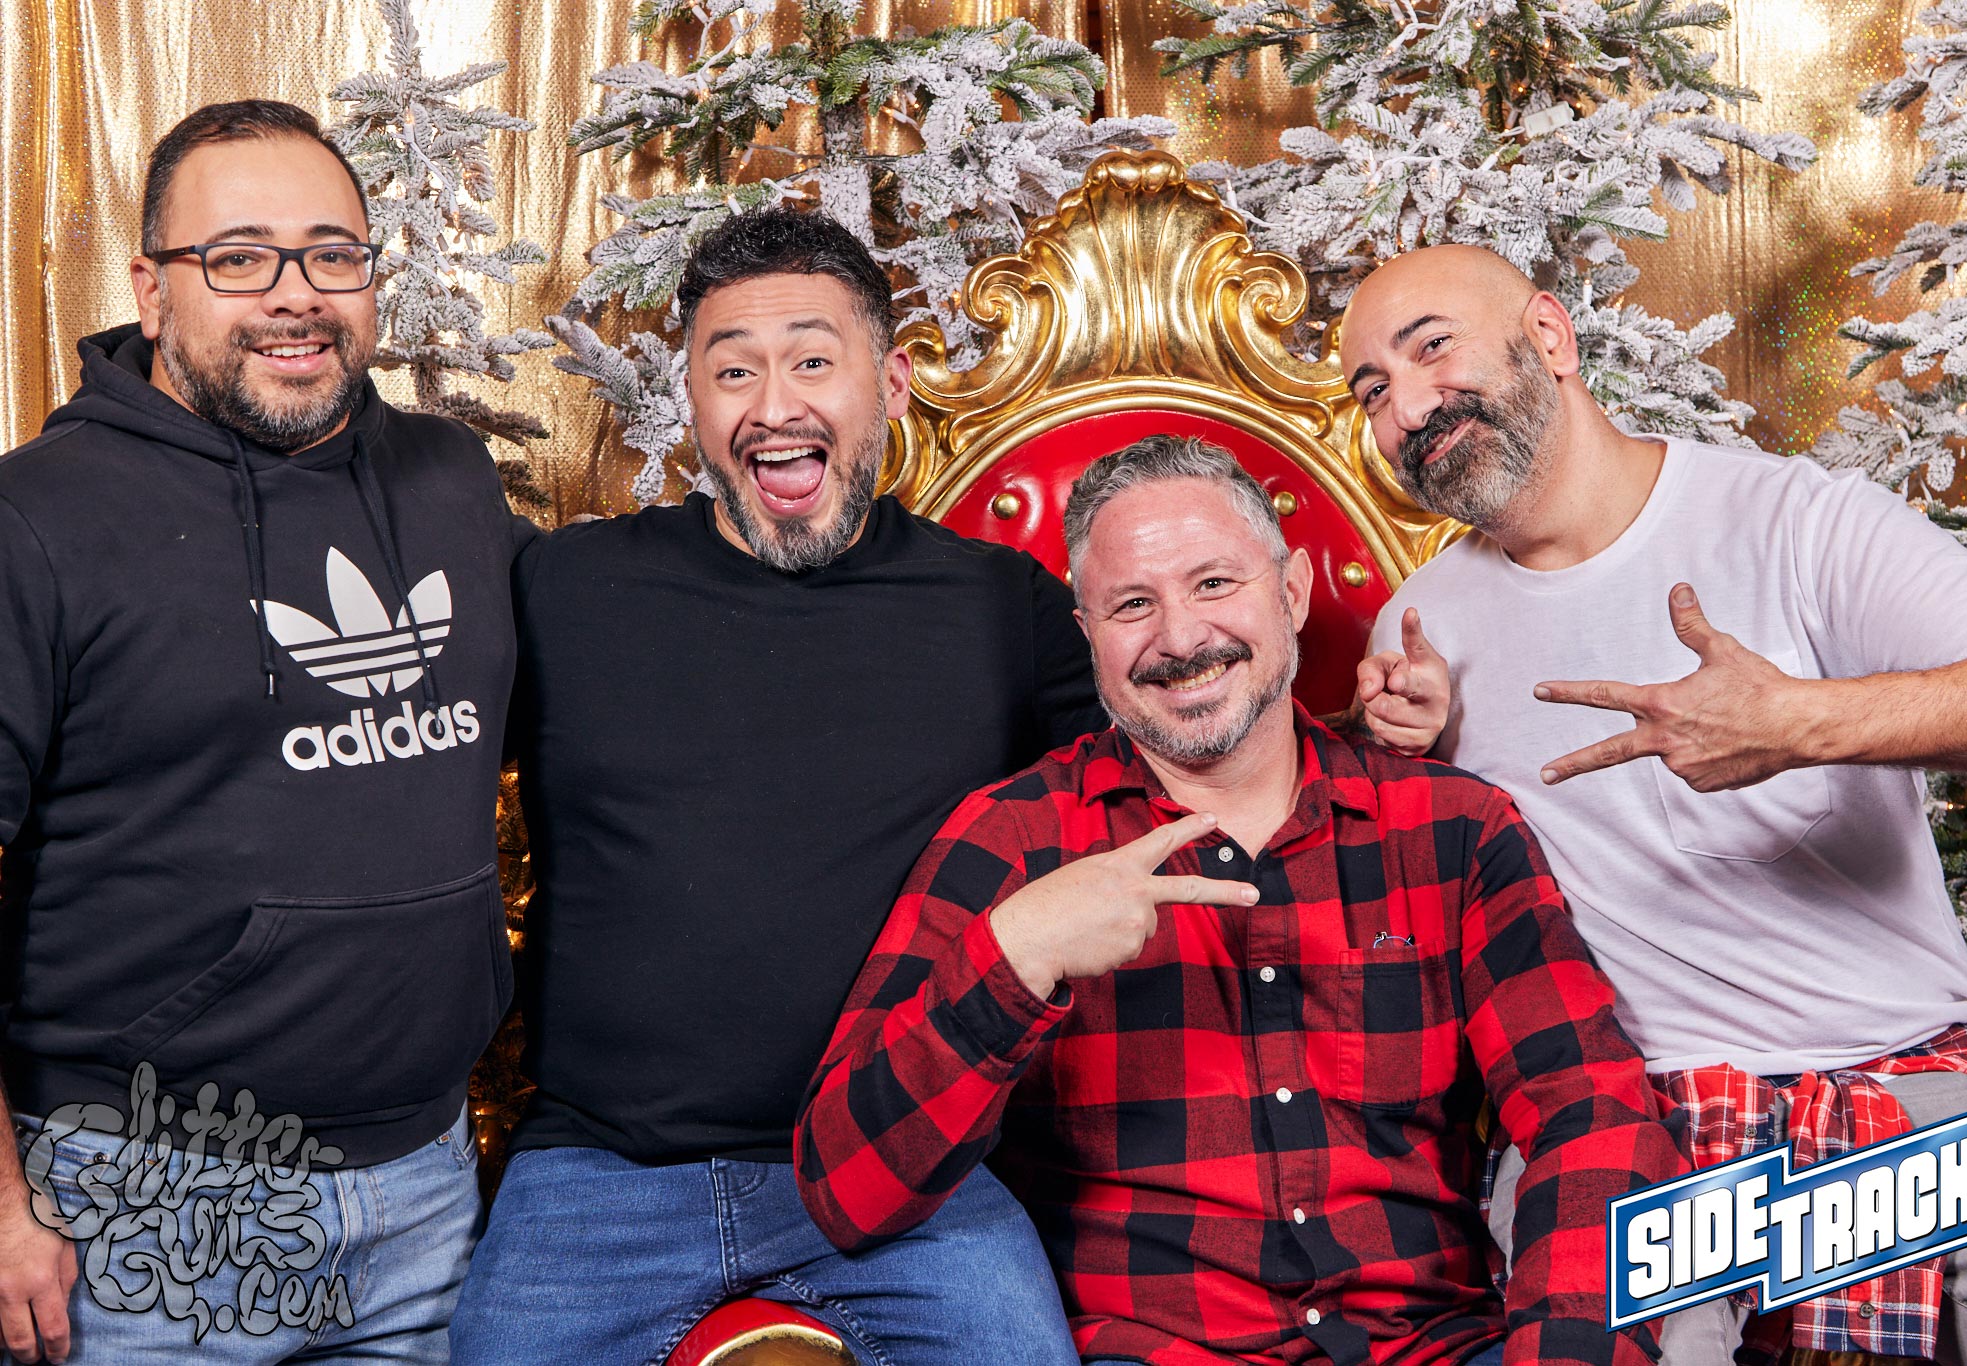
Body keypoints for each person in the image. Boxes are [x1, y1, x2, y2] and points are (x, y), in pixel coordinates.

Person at [451, 209, 1443, 1365]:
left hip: (912, 1164)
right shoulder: (568, 587)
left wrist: (1364, 728)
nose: (773, 404)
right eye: (732, 371)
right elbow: (397, 751)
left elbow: (1180, 741)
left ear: (891, 385)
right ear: (694, 402)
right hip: (601, 1177)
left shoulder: (997, 605)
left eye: (811, 361)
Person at [795, 435, 1686, 1366]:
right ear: (1088, 632)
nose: (1181, 638)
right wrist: (1015, 961)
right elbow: (847, 1190)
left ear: (1291, 592)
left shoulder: (1450, 829)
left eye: (1214, 583)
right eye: (1133, 604)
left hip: (1435, 1348)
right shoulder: (1013, 840)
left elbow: (1591, 1116)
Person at [1339, 243, 1967, 1366]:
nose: (1410, 408)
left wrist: (1800, 722)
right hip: (1629, 1126)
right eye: (1374, 390)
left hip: (1900, 1098)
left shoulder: (1794, 522)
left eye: (1433, 348)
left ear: (1548, 336)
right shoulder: (1420, 628)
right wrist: (1400, 760)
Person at [0, 101, 526, 1364]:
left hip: (424, 1187)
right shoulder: (36, 521)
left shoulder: (449, 479)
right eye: (239, 257)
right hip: (143, 1204)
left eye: (332, 253)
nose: (296, 294)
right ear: (152, 289)